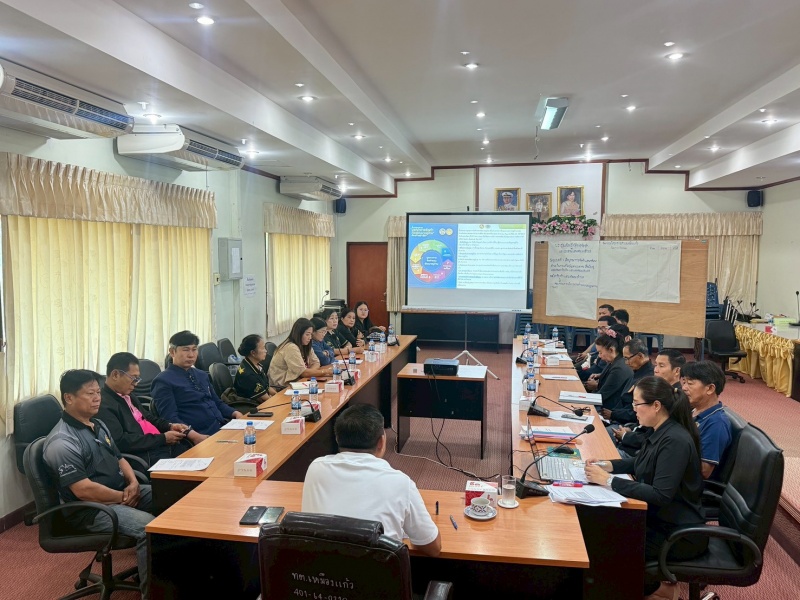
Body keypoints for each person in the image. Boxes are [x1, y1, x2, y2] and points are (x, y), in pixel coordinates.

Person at [584, 377, 707, 600]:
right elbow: (640, 462)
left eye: (636, 403)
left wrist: (609, 481)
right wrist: (607, 465)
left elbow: (660, 495)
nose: (634, 409)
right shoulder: (660, 429)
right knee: (599, 528)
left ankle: (656, 591)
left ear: (656, 406)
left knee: (605, 543)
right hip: (659, 520)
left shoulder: (675, 440)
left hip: (678, 534)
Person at [43, 369, 155, 599]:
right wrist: (123, 497)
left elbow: (119, 458)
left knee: (173, 497)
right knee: (150, 529)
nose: (97, 398)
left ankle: (165, 573)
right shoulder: (62, 442)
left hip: (119, 493)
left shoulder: (97, 424)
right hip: (91, 511)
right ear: (69, 398)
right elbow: (84, 490)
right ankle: (153, 593)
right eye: (89, 393)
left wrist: (133, 482)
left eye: (98, 392)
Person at [302, 404, 441, 557]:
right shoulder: (400, 483)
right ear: (381, 442)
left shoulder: (316, 468)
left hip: (321, 569)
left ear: (337, 439)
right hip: (376, 571)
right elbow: (433, 548)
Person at [97, 352, 190, 469]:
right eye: (133, 378)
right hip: (145, 455)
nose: (136, 383)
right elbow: (121, 441)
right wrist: (162, 439)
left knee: (196, 455)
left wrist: (169, 426)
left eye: (137, 378)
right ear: (115, 375)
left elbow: (148, 418)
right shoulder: (103, 405)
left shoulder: (128, 394)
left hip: (159, 445)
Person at [151, 330, 244, 444]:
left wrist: (235, 413)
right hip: (199, 436)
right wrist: (194, 436)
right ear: (172, 352)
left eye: (194, 349)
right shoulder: (163, 381)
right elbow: (170, 418)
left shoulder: (201, 375)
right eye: (186, 350)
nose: (191, 355)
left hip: (222, 428)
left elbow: (217, 402)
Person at [613, 349, 686, 456]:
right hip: (634, 437)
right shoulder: (659, 389)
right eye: (655, 365)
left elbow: (654, 436)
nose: (656, 370)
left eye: (661, 366)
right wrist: (630, 429)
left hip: (640, 452)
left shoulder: (675, 398)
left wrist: (626, 436)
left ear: (677, 371)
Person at [681, 361, 732, 480]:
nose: (684, 388)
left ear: (710, 388)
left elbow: (704, 471)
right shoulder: (693, 410)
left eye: (690, 383)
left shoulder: (716, 424)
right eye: (684, 382)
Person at [268, 318, 334, 390]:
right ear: (299, 334)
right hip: (283, 386)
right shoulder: (291, 347)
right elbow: (303, 373)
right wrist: (324, 372)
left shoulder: (305, 344)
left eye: (311, 334)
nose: (310, 337)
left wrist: (310, 373)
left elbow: (316, 362)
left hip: (300, 382)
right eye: (307, 334)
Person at [602, 338, 654, 427]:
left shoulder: (647, 379)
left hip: (627, 424)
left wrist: (613, 414)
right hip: (616, 416)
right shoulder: (638, 371)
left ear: (640, 356)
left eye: (627, 358)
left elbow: (638, 412)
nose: (626, 363)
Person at [589, 325, 634, 410]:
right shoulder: (615, 361)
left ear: (611, 350)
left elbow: (602, 396)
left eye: (600, 352)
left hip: (609, 408)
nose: (599, 356)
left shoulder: (619, 368)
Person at [233, 334, 273, 403]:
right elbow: (266, 399)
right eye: (263, 348)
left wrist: (277, 395)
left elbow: (267, 387)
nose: (266, 351)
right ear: (253, 353)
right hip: (250, 405)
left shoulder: (255, 365)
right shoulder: (248, 375)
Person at [577, 315, 617, 382]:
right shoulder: (601, 338)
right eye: (599, 328)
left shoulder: (612, 342)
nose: (600, 331)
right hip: (594, 364)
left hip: (600, 370)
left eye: (604, 328)